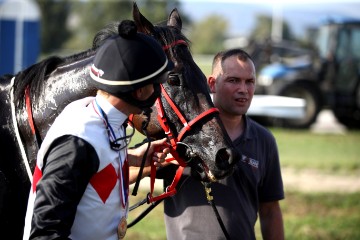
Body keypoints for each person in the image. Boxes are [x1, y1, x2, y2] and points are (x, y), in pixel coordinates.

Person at [23, 20, 171, 240]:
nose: (159, 91)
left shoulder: (97, 114)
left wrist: (134, 158)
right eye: (156, 83)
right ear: (140, 91)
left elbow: (91, 168)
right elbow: (46, 233)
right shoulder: (79, 139)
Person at [162, 48, 285, 240]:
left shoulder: (264, 140)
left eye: (249, 81)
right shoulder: (180, 135)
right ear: (212, 83)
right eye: (233, 80)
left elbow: (270, 210)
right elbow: (125, 176)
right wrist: (162, 162)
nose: (243, 89)